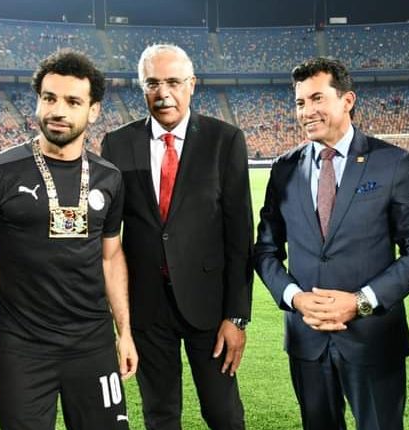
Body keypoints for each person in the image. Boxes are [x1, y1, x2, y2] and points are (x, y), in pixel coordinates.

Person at [0, 49, 138, 429]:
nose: (58, 110)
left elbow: (111, 257)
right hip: (22, 347)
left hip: (93, 343)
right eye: (49, 98)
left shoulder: (109, 178)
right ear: (38, 100)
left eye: (73, 101)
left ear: (94, 111)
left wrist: (125, 333)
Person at [254, 57, 409, 430]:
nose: (307, 111)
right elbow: (266, 250)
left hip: (373, 338)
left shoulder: (392, 163)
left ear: (347, 100)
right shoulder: (284, 168)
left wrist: (360, 302)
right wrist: (295, 298)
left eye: (317, 98)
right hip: (307, 339)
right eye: (300, 102)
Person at [101, 44, 253, 430]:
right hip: (147, 308)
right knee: (160, 415)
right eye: (152, 83)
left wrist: (236, 316)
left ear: (192, 84)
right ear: (141, 87)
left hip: (209, 307)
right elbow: (104, 232)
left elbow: (240, 237)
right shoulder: (117, 144)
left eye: (173, 82)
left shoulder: (224, 140)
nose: (163, 93)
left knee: (223, 413)